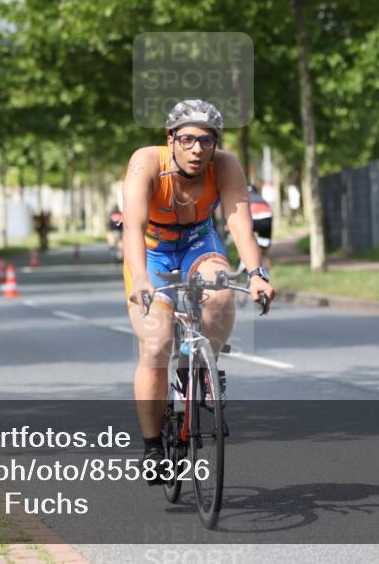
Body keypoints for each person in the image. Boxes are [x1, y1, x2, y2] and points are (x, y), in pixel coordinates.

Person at [122, 99, 274, 483]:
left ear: (215, 143)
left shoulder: (225, 165)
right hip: (151, 252)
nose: (196, 150)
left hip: (198, 242)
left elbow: (239, 223)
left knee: (221, 294)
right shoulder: (145, 163)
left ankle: (197, 365)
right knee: (156, 344)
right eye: (187, 139)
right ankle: (153, 447)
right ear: (170, 139)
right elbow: (133, 226)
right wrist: (139, 277)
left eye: (206, 141)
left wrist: (257, 273)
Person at [248, 183, 273, 267]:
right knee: (264, 245)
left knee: (246, 241)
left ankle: (249, 265)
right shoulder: (261, 198)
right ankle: (266, 266)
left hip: (252, 218)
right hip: (266, 217)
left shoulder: (245, 197)